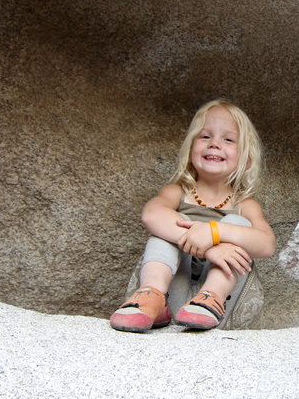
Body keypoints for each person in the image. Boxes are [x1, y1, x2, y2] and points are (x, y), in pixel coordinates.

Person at [110, 100, 275, 332]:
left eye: (228, 139)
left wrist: (214, 232)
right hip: (172, 296)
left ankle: (211, 296)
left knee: (238, 224)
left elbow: (267, 245)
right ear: (190, 149)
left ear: (246, 159)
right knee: (165, 230)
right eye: (205, 136)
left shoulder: (244, 204)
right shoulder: (177, 192)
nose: (215, 144)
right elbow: (151, 214)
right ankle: (152, 295)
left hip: (222, 304)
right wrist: (208, 247)